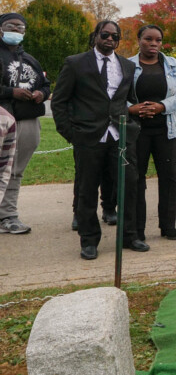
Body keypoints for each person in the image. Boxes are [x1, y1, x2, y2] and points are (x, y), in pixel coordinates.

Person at [51, 20, 145, 259]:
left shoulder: (126, 66)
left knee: (129, 186)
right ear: (96, 36)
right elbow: (59, 101)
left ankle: (129, 235)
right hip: (88, 136)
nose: (110, 40)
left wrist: (132, 126)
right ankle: (89, 240)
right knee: (87, 189)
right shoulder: (75, 63)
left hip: (120, 136)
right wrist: (71, 133)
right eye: (105, 35)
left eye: (115, 37)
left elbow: (128, 99)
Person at [128, 25, 176, 241]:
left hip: (167, 130)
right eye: (148, 39)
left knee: (170, 178)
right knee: (136, 179)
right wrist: (133, 108)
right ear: (139, 40)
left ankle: (167, 225)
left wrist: (162, 106)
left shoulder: (173, 65)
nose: (153, 44)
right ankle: (137, 230)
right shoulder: (127, 66)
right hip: (137, 131)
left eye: (158, 40)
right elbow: (116, 94)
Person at [0, 12, 50, 235]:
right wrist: (12, 92)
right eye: (12, 26)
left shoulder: (30, 59)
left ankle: (8, 216)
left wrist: (41, 93)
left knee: (16, 171)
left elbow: (46, 84)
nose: (17, 31)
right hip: (3, 119)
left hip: (28, 120)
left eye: (21, 28)